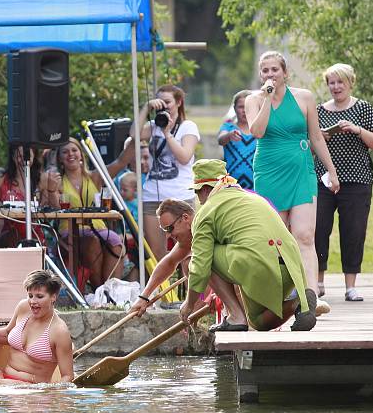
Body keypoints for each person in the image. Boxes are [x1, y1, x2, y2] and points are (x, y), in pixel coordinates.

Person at [130, 159, 317, 332]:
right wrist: (144, 297)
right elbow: (171, 261)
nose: (169, 235)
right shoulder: (250, 197)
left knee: (203, 257)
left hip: (258, 262)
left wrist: (188, 304)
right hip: (291, 266)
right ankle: (298, 303)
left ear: (204, 189)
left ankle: (235, 317)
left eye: (169, 228)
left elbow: (200, 267)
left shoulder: (205, 214)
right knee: (259, 322)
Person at [245, 50, 338, 296]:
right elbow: (257, 132)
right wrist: (267, 98)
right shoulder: (253, 100)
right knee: (274, 237)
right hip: (269, 170)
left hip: (301, 168)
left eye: (275, 69)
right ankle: (279, 292)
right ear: (260, 74)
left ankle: (310, 294)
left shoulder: (304, 97)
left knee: (305, 235)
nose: (270, 74)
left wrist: (331, 169)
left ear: (285, 72)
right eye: (265, 70)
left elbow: (316, 136)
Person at [314, 63, 373, 302]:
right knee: (318, 229)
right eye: (331, 82)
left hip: (356, 179)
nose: (335, 87)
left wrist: (357, 130)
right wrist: (318, 137)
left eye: (340, 82)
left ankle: (350, 285)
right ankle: (318, 281)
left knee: (353, 231)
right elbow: (307, 143)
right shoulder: (319, 110)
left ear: (350, 82)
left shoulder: (363, 108)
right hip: (322, 179)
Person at [131, 84, 200, 260]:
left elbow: (185, 157)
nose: (164, 106)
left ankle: (188, 287)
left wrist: (167, 134)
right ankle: (162, 288)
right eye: (160, 102)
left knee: (188, 252)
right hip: (152, 196)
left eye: (168, 102)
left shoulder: (188, 126)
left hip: (180, 196)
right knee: (156, 254)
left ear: (179, 102)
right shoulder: (154, 126)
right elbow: (133, 134)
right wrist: (146, 108)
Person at [47, 137, 127, 287]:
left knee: (116, 241)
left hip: (99, 227)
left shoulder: (94, 177)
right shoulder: (57, 180)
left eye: (74, 150)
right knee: (92, 242)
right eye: (65, 152)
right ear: (60, 159)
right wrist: (51, 190)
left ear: (81, 154)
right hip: (70, 231)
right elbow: (57, 208)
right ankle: (99, 290)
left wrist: (134, 140)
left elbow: (121, 162)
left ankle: (111, 290)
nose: (70, 154)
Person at [0, 144, 55, 247]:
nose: (24, 161)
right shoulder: (0, 178)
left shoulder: (42, 179)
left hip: (36, 234)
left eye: (27, 156)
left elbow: (51, 211)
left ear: (34, 156)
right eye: (19, 157)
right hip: (9, 235)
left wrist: (52, 190)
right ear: (13, 157)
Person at [218, 89, 256, 189]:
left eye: (248, 106)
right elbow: (221, 140)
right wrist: (229, 135)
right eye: (240, 107)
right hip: (231, 184)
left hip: (257, 184)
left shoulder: (259, 130)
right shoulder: (228, 127)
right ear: (234, 109)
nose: (244, 110)